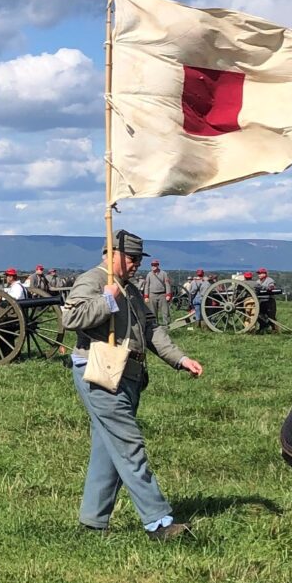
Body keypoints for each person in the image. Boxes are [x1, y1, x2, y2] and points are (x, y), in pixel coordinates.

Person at [60, 230, 203, 539]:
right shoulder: (94, 281)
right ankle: (158, 522)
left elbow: (151, 328)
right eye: (132, 258)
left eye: (139, 259)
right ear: (111, 254)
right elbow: (71, 319)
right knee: (129, 446)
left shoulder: (131, 289)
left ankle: (92, 521)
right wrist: (107, 299)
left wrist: (180, 359)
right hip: (101, 371)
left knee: (107, 448)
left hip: (128, 373)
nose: (137, 264)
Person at [143, 260, 172, 324]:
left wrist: (168, 295)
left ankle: (167, 324)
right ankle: (154, 325)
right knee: (153, 311)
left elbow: (167, 284)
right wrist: (146, 296)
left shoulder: (164, 273)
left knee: (165, 311)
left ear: (157, 265)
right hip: (152, 294)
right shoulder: (149, 274)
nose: (153, 266)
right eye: (152, 265)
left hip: (162, 294)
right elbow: (146, 286)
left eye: (155, 265)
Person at [255, 267, 282, 333]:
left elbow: (271, 286)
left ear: (265, 274)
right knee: (259, 315)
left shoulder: (269, 280)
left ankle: (275, 329)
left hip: (269, 300)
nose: (259, 275)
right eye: (258, 273)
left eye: (260, 273)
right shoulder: (257, 281)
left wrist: (268, 288)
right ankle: (262, 327)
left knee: (271, 316)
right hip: (261, 301)